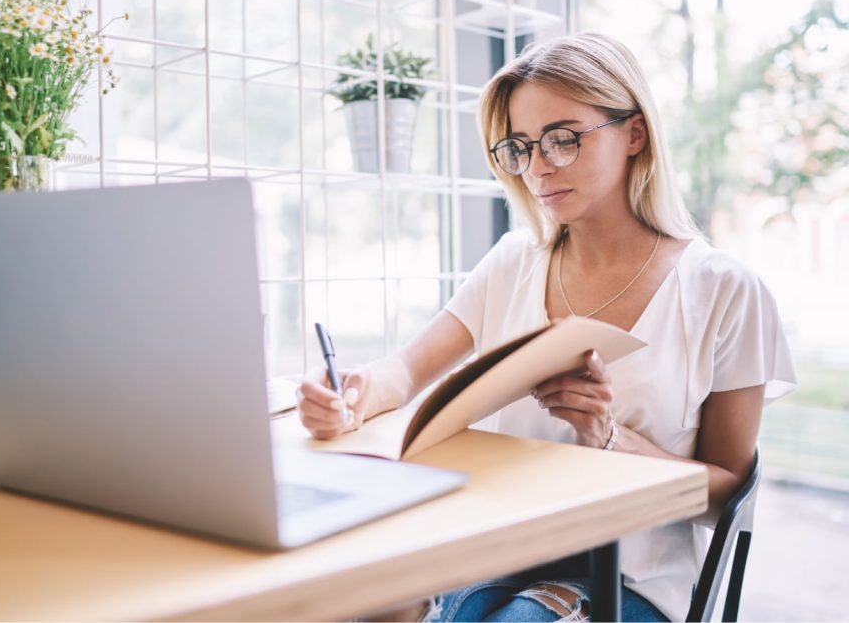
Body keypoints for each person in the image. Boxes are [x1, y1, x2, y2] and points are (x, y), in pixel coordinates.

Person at [296, 32, 797, 622]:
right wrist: (350, 395)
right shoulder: (513, 261)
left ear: (634, 133)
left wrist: (612, 439)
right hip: (496, 546)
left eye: (563, 140)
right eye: (520, 147)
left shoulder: (724, 290)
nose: (538, 168)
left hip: (628, 579)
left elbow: (727, 498)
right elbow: (406, 369)